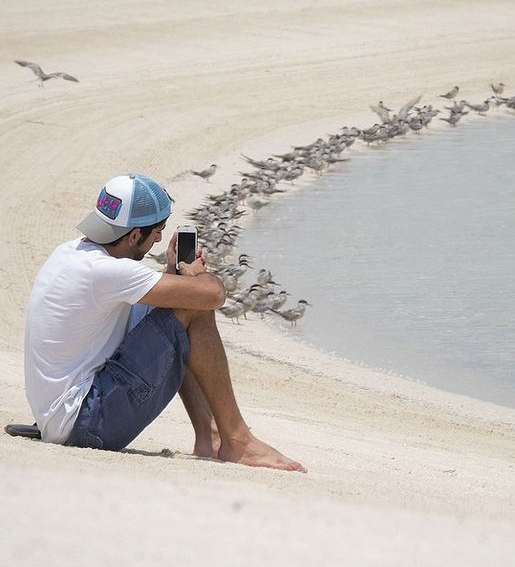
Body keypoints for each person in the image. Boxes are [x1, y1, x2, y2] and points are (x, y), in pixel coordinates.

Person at [24, 173, 305, 472]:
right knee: (193, 308)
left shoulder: (70, 253)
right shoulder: (106, 272)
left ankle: (209, 437)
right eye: (157, 230)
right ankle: (238, 441)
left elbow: (146, 320)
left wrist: (172, 272)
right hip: (89, 423)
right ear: (133, 236)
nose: (159, 238)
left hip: (61, 416)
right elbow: (213, 295)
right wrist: (195, 275)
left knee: (176, 308)